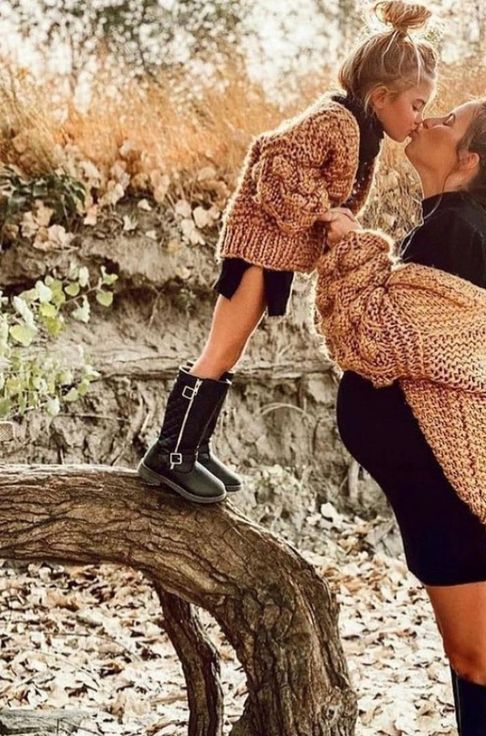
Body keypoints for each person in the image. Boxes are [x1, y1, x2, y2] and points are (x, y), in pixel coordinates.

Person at [315, 82, 486, 735]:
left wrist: (352, 245)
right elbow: (392, 338)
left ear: (465, 161)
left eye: (448, 119)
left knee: (477, 662)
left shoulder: (457, 231)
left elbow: (374, 340)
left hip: (454, 482)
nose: (430, 119)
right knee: (474, 658)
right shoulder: (439, 226)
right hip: (438, 484)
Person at [137, 1, 439, 504]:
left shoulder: (363, 133)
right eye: (417, 104)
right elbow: (275, 163)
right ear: (382, 96)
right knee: (222, 347)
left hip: (274, 248)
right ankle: (169, 455)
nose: (419, 116)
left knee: (234, 347)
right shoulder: (336, 121)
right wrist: (323, 213)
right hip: (257, 243)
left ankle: (195, 447)